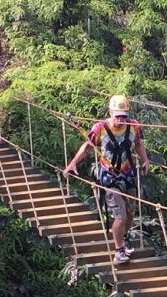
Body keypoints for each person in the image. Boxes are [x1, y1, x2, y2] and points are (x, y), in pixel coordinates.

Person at [63, 94, 152, 265]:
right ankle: (118, 251)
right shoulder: (100, 128)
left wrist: (145, 159)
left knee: (131, 212)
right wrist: (73, 163)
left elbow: (139, 143)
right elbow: (88, 147)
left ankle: (124, 238)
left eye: (123, 116)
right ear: (110, 113)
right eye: (117, 116)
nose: (120, 119)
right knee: (120, 216)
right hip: (110, 177)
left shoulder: (133, 126)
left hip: (128, 174)